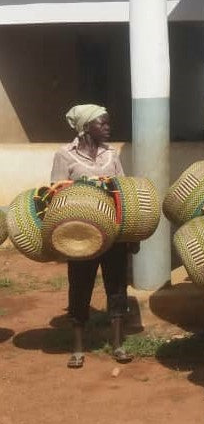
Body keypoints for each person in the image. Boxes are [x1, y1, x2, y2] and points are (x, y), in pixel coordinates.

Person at [50, 104, 132, 369]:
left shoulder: (112, 155)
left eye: (108, 123)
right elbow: (56, 194)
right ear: (86, 127)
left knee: (117, 286)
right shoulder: (64, 156)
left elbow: (123, 191)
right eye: (102, 123)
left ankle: (118, 344)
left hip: (113, 235)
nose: (108, 128)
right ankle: (77, 348)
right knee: (80, 285)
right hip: (80, 234)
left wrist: (131, 233)